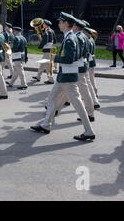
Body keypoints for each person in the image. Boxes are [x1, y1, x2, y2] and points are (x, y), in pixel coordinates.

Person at [31, 12, 96, 141]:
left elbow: (69, 58)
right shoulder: (71, 36)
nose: (59, 24)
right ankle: (46, 124)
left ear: (66, 24)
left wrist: (56, 58)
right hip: (65, 76)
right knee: (51, 98)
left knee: (77, 104)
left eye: (60, 22)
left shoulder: (70, 38)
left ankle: (89, 131)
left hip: (67, 77)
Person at [32, 19, 55, 84]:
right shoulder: (52, 31)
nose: (42, 25)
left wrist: (40, 46)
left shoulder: (47, 32)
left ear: (46, 25)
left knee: (48, 66)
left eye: (43, 24)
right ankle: (38, 76)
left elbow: (45, 40)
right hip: (50, 49)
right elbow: (55, 40)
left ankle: (51, 79)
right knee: (42, 64)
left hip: (47, 50)